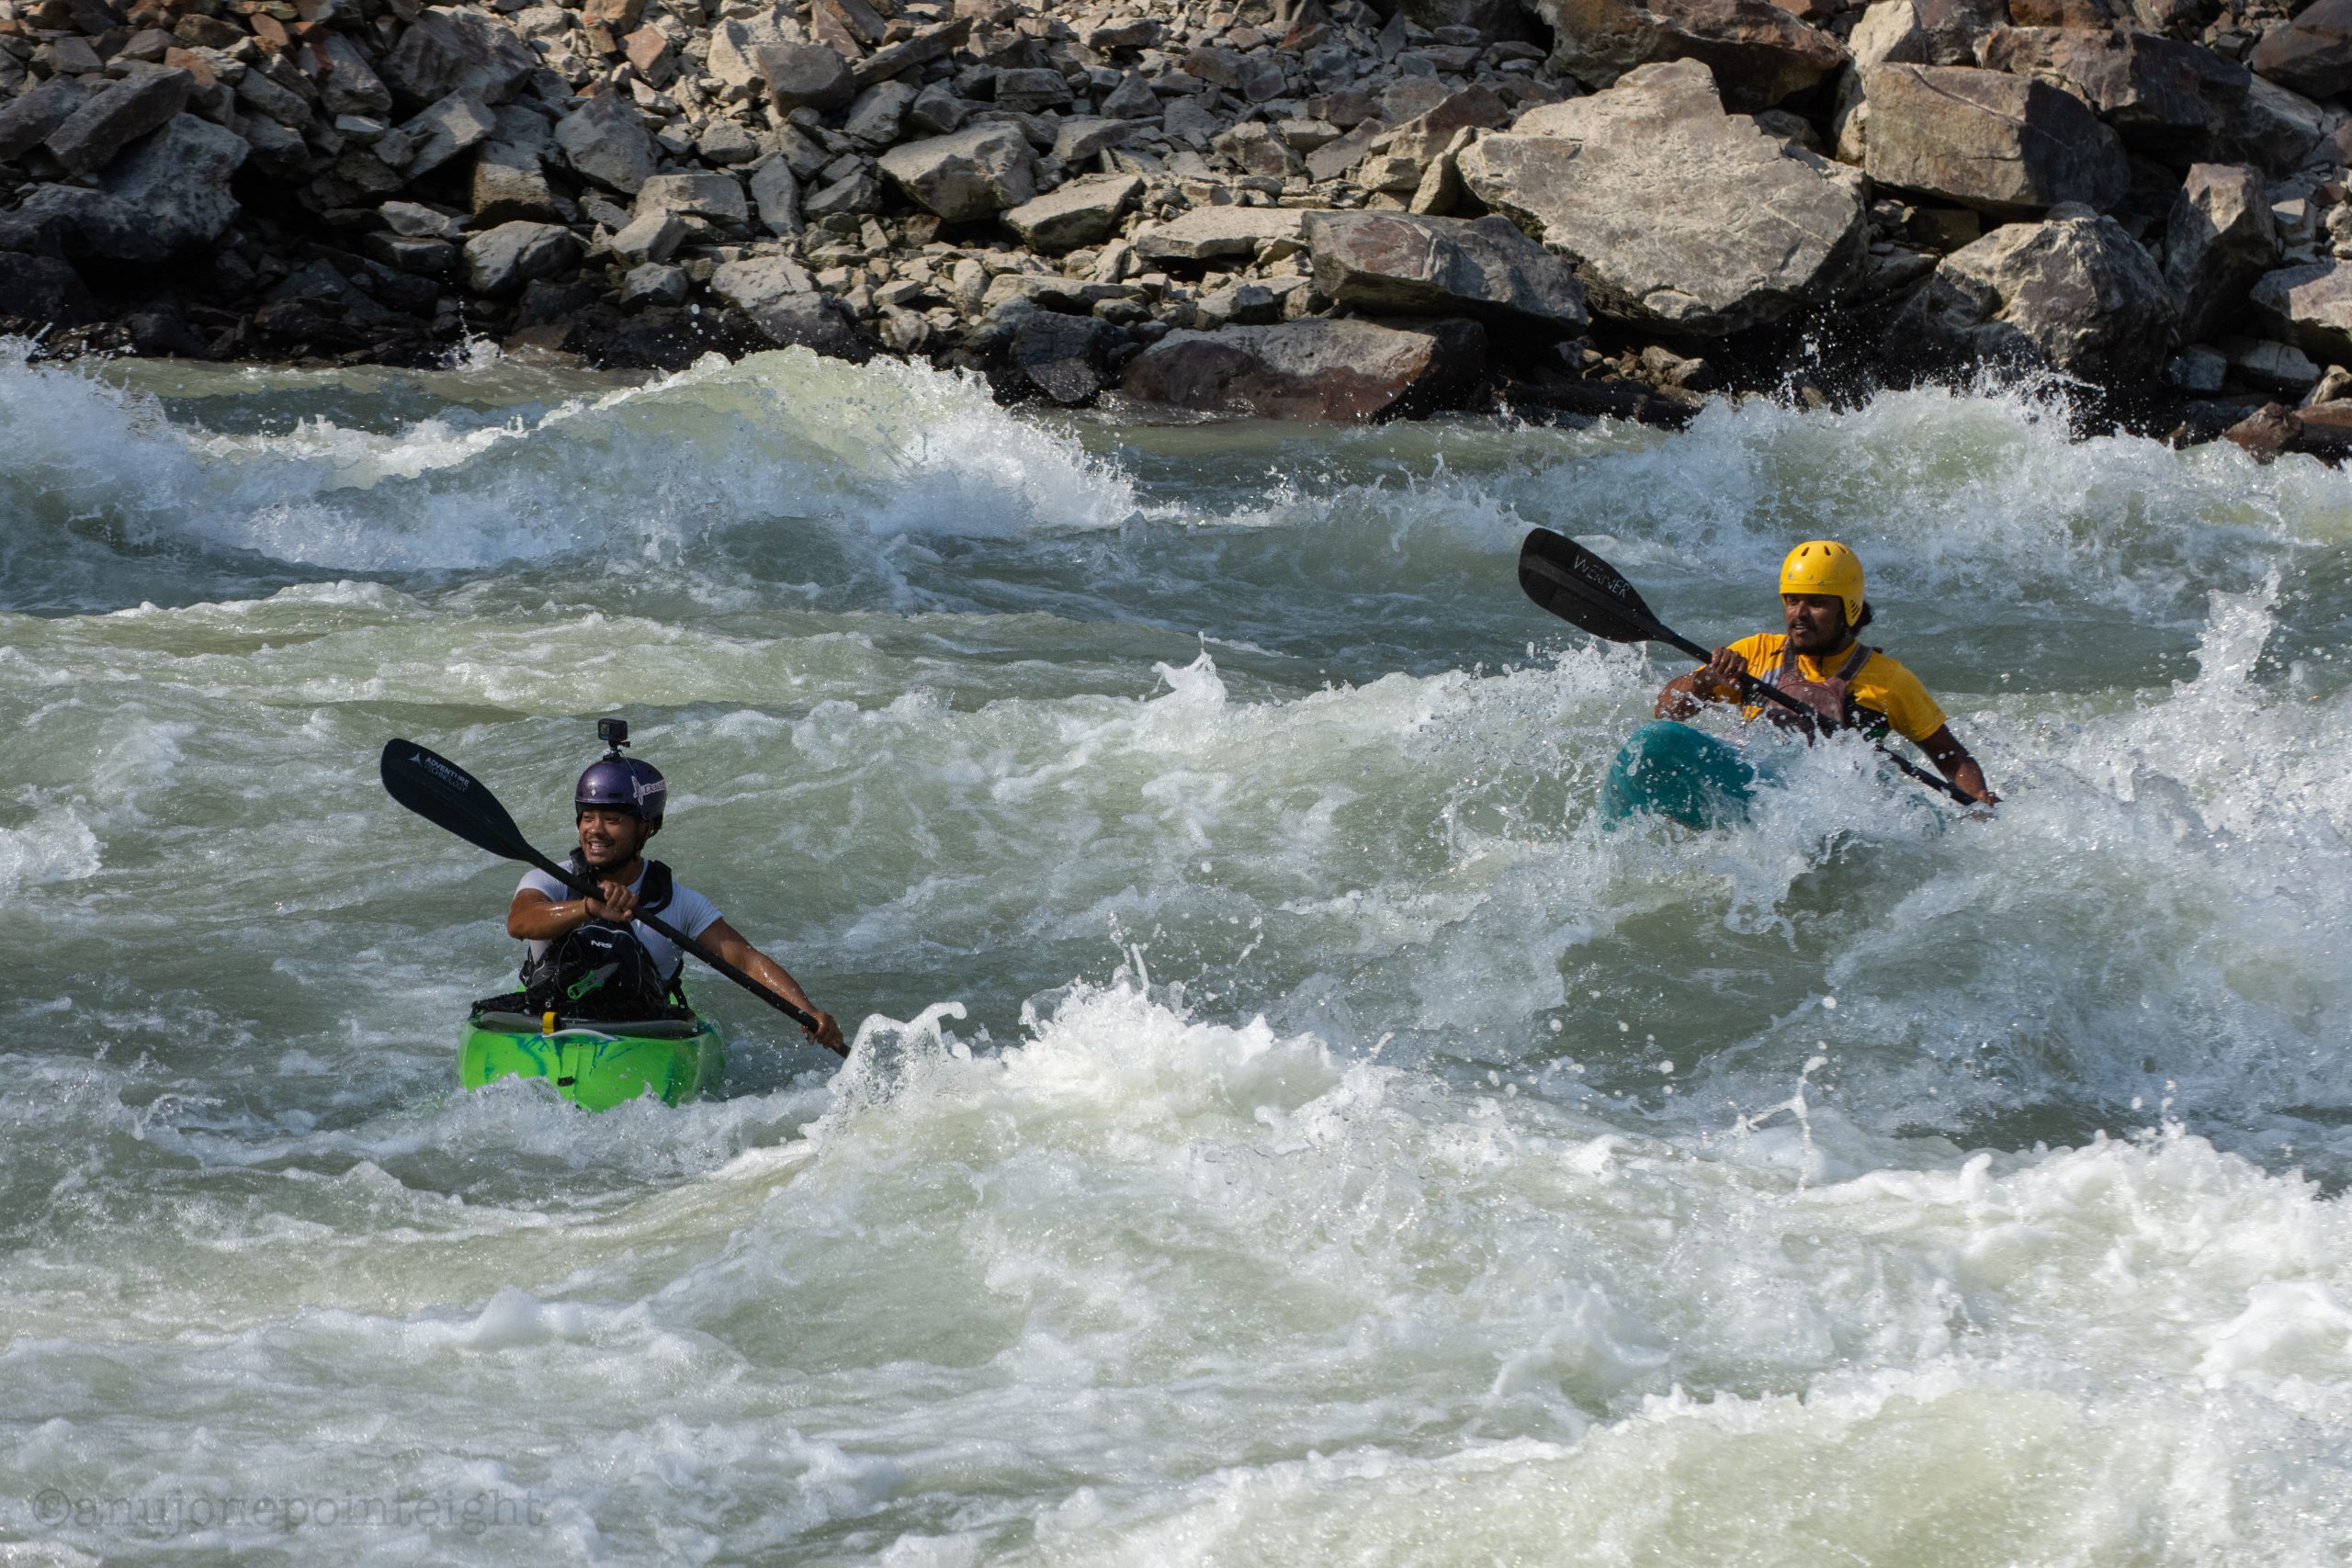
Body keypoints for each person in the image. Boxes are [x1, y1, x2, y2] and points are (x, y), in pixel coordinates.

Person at [503, 731, 845, 1052]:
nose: (596, 830)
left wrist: (807, 1010)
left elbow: (745, 960)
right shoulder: (551, 880)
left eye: (613, 819)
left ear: (646, 828)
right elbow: (520, 922)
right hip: (548, 1026)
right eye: (588, 817)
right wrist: (587, 909)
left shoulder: (677, 902)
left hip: (640, 1039)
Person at [1652, 540, 1998, 807]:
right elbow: (1666, 711)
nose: (1799, 615)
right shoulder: (1755, 652)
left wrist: (1979, 799)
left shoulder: (1889, 680)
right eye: (1792, 600)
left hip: (1823, 805)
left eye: (1816, 603)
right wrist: (1708, 679)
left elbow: (1951, 756)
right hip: (1752, 782)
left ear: (1849, 608)